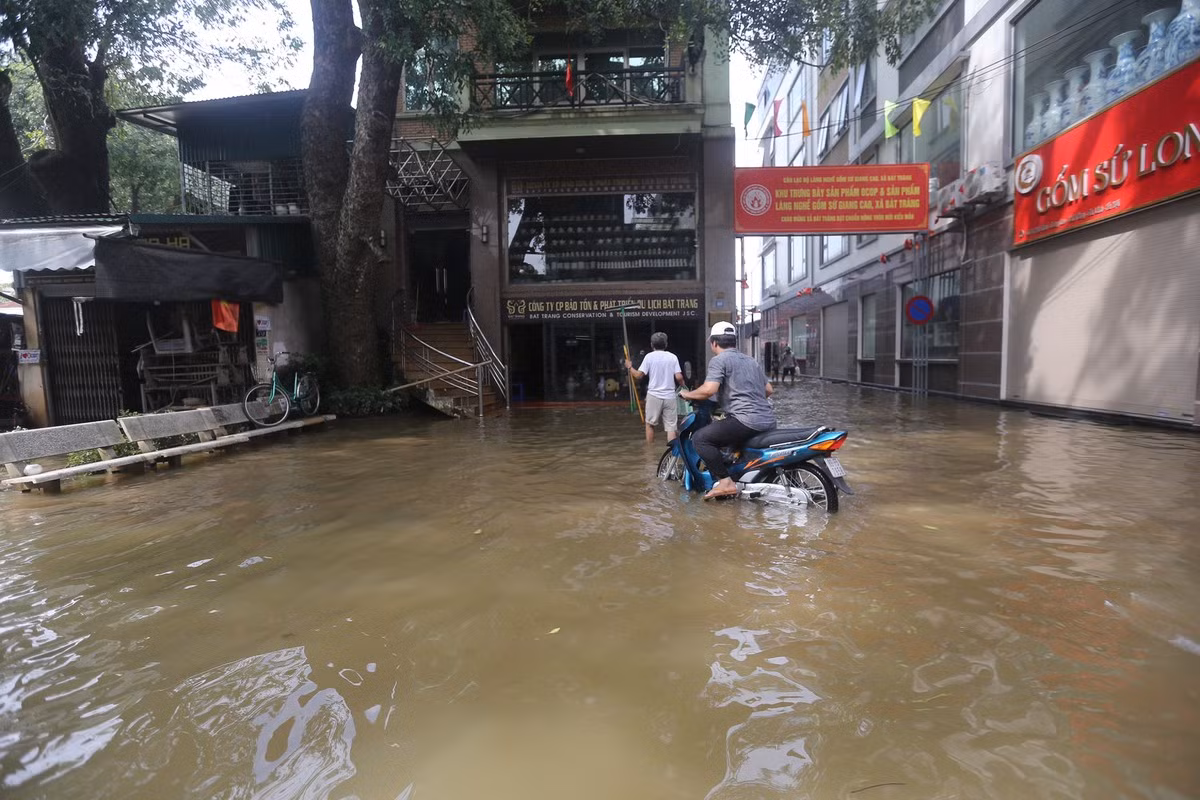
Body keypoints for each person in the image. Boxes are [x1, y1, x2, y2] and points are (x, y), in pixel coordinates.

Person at [681, 321, 776, 500]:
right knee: (728, 441)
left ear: (714, 343)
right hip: (768, 420)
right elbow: (769, 390)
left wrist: (688, 394)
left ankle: (725, 483)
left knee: (701, 439)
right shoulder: (751, 361)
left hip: (745, 421)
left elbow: (709, 390)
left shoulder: (719, 360)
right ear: (734, 342)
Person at [625, 331, 684, 443]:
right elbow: (679, 377)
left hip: (654, 396)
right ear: (666, 344)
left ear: (652, 345)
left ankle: (650, 451)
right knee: (671, 427)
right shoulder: (673, 357)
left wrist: (629, 367)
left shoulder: (649, 357)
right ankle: (672, 452)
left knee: (650, 424)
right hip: (670, 396)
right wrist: (683, 386)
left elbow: (638, 375)